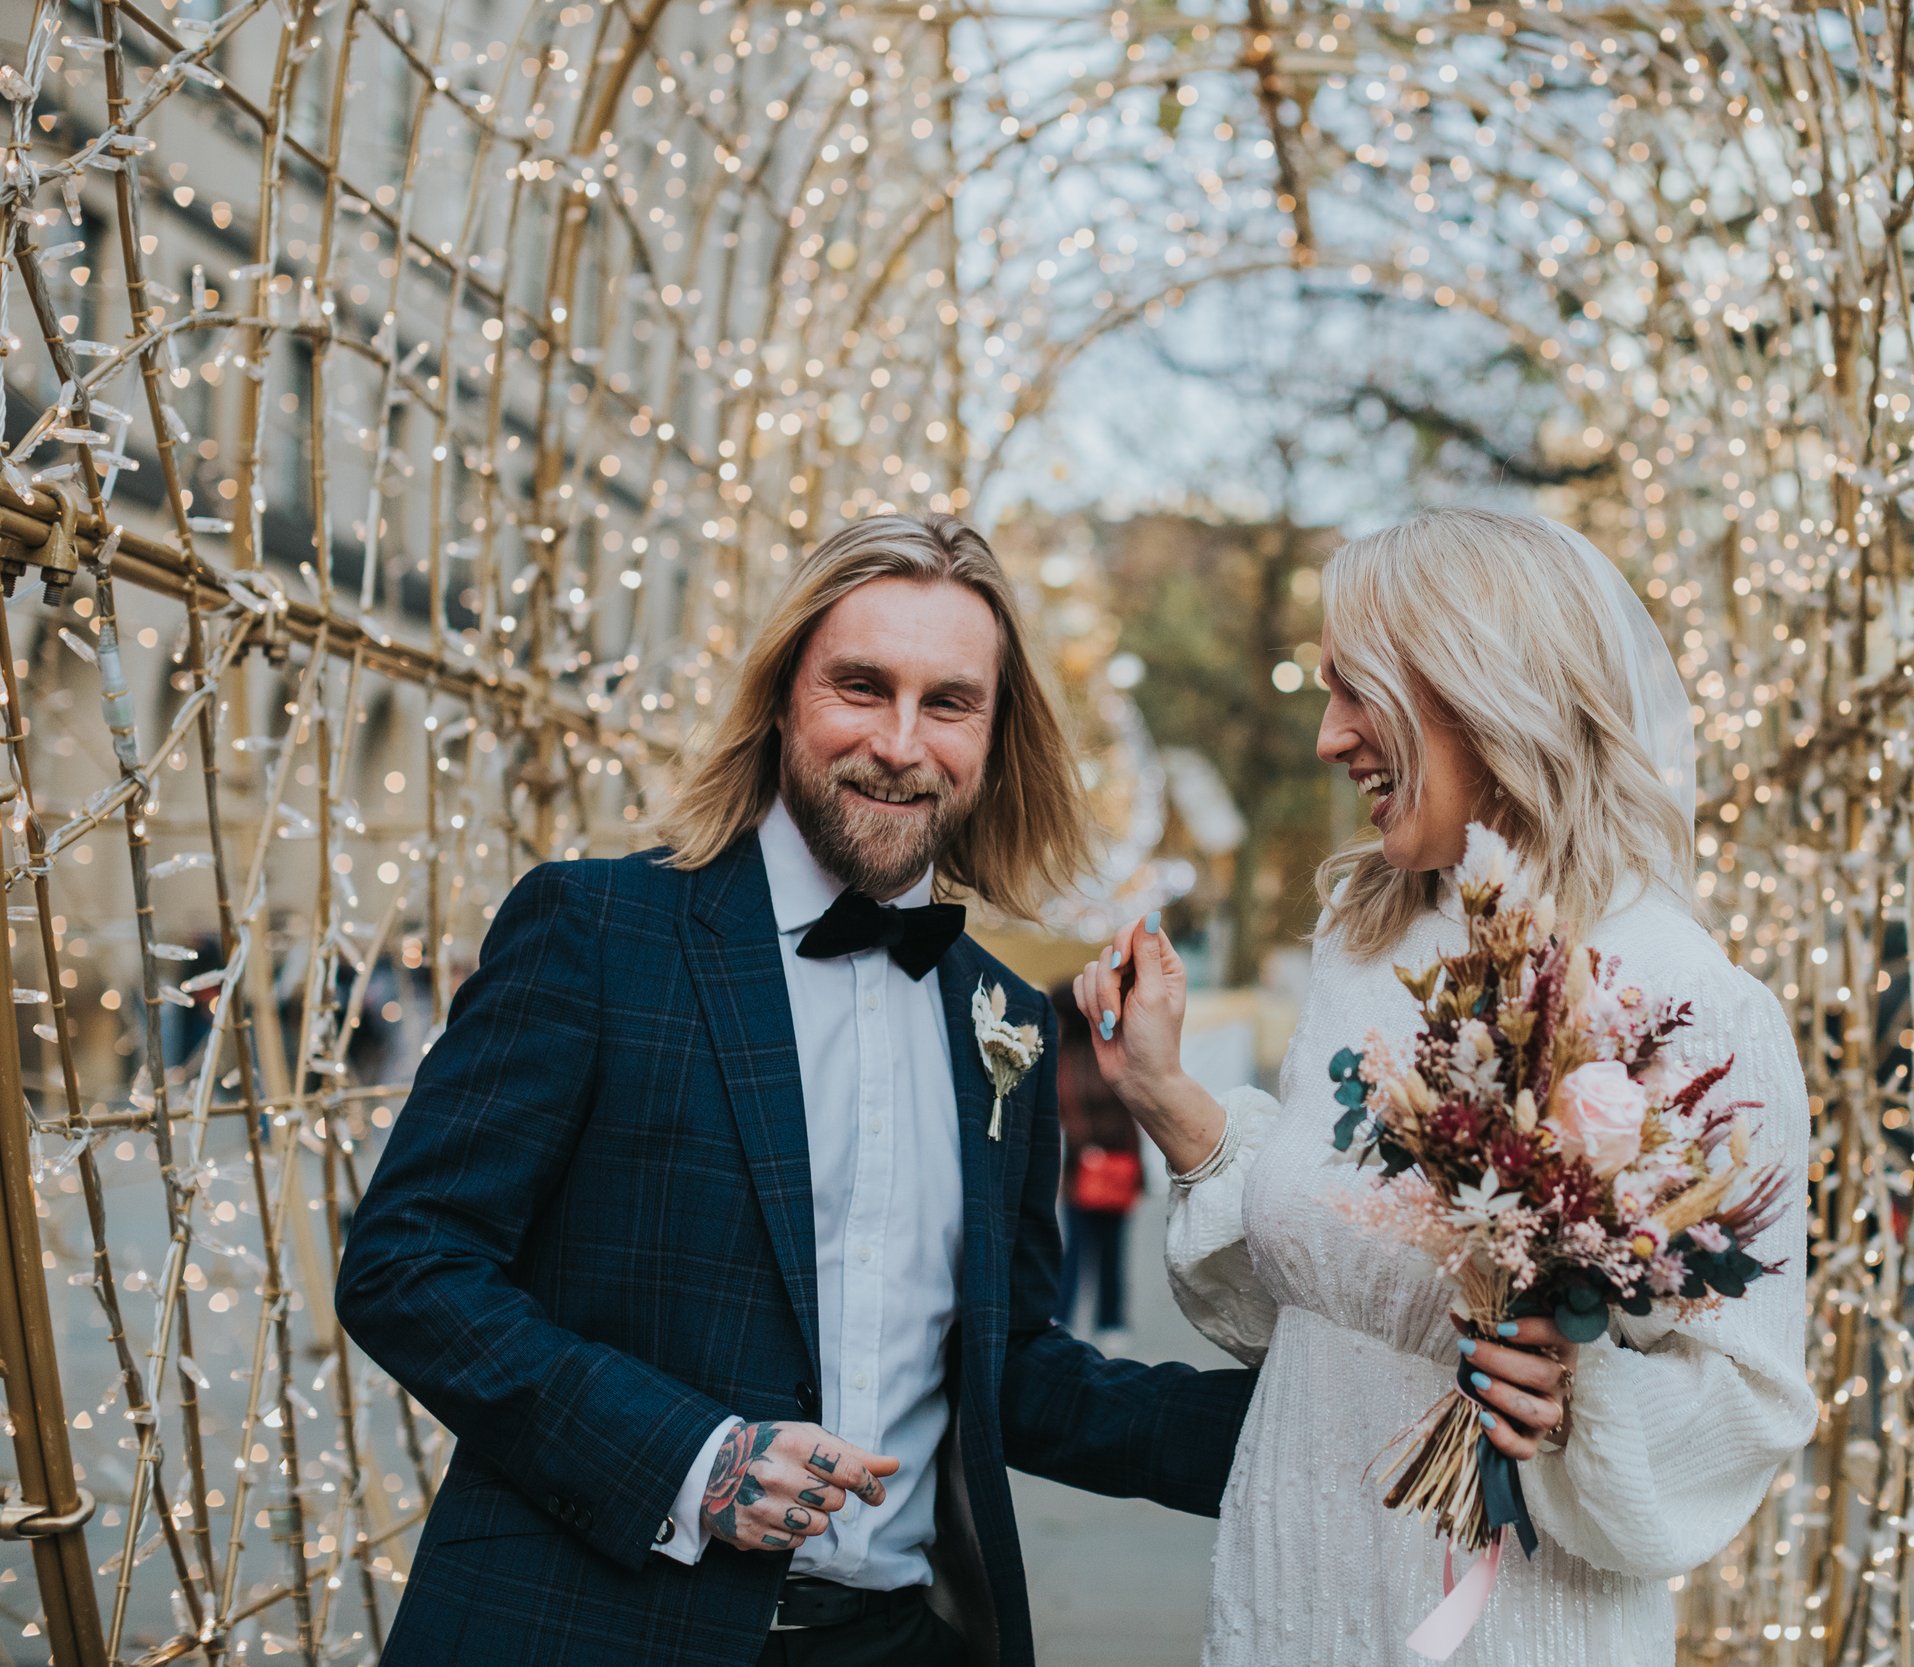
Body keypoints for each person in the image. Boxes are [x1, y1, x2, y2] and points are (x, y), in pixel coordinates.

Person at [336, 514, 1256, 1667]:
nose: (902, 743)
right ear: (782, 699)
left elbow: (1007, 1365)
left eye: (949, 702)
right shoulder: (598, 929)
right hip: (584, 1628)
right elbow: (407, 1264)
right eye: (861, 688)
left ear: (995, 732)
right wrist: (691, 1457)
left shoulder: (1006, 1020)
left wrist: (1307, 1432)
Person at [1073, 509, 1815, 1665]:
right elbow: (1314, 1305)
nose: (1328, 737)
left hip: (1508, 1616)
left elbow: (1750, 1403)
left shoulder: (1689, 1001)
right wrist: (1170, 1101)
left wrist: (1575, 1399)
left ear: (1482, 689)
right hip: (1290, 1582)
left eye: (1357, 690)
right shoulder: (1359, 944)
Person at [1049, 981, 1143, 1345]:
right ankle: (1068, 1317)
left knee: (1111, 1249)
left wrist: (1137, 1171)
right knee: (1079, 1247)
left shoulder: (1096, 1052)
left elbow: (1127, 1111)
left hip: (1113, 1165)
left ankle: (1109, 1321)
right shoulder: (1063, 1057)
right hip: (1082, 1169)